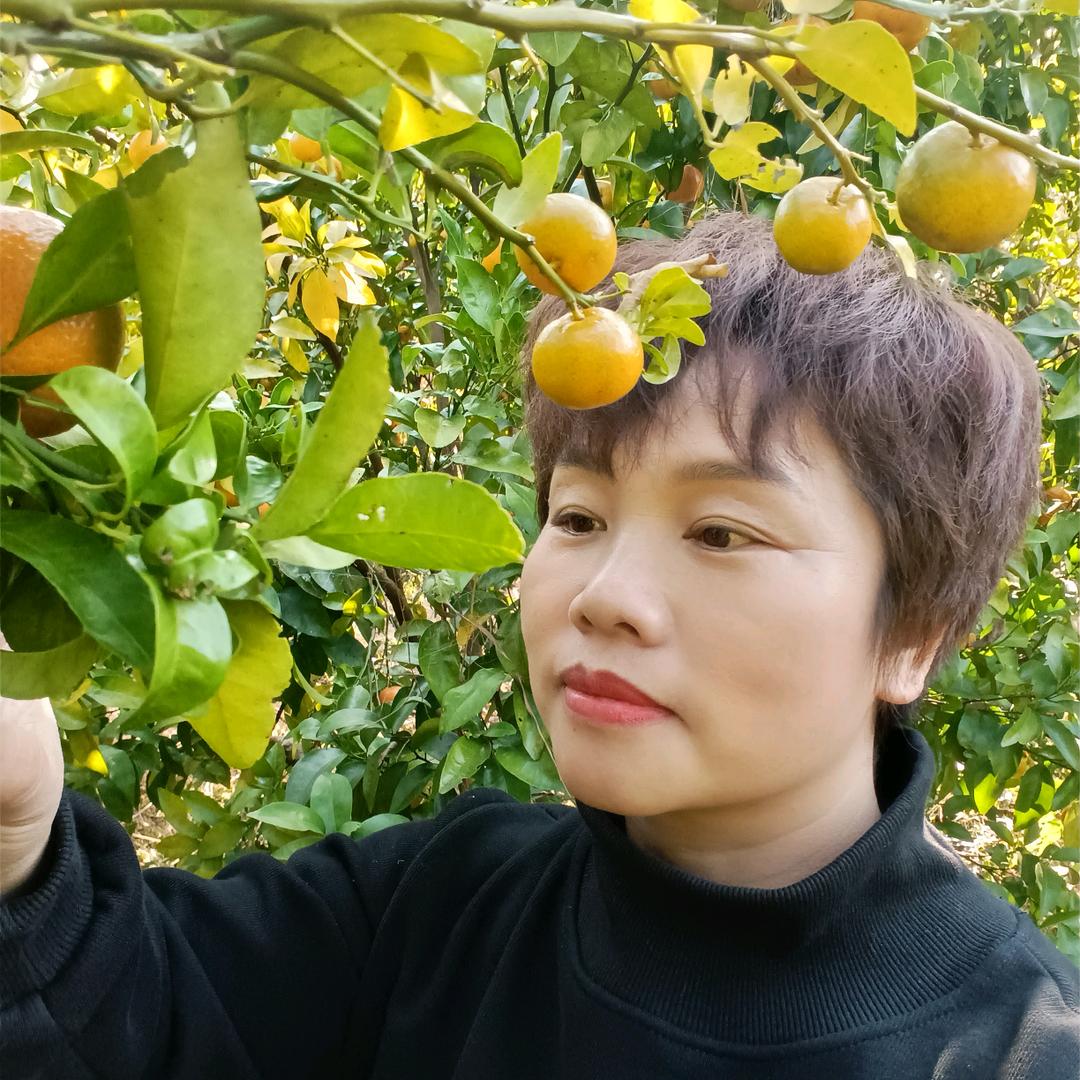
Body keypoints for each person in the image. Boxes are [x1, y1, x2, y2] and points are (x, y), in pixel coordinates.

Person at [1, 212, 1077, 1079]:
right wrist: (19, 842)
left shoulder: (1016, 1048)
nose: (608, 597)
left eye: (721, 532)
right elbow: (122, 1015)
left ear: (913, 634)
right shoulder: (442, 908)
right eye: (578, 518)